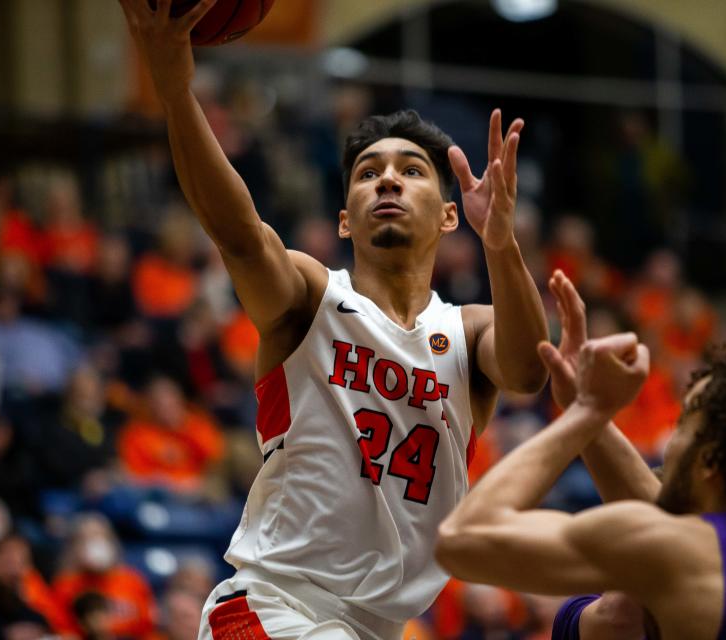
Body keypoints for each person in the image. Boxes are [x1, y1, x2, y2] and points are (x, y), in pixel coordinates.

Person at [116, 1, 549, 638]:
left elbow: (528, 370)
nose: (388, 183)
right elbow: (239, 235)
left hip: (372, 626)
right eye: (368, 174)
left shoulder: (470, 331)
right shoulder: (314, 299)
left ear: (450, 217)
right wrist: (174, 89)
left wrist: (502, 244)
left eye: (412, 171)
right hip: (277, 607)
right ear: (346, 219)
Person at [436, 274, 726, 638]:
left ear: (713, 464)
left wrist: (588, 414)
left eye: (685, 425)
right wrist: (581, 406)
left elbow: (463, 537)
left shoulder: (690, 557)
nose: (669, 442)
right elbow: (669, 514)